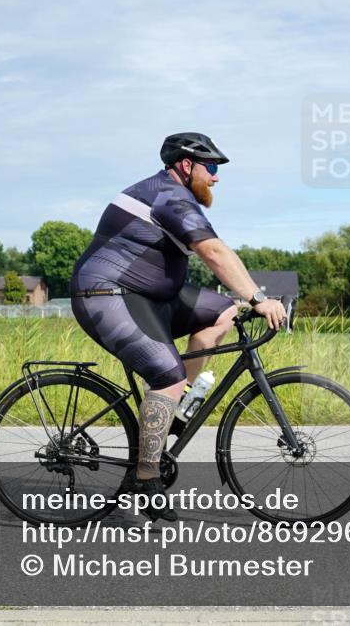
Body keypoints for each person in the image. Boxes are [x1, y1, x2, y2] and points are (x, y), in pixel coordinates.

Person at [70, 132, 287, 520]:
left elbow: (220, 251)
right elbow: (215, 253)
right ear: (186, 167)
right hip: (106, 296)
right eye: (213, 168)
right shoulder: (168, 195)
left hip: (150, 297)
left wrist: (245, 301)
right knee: (166, 375)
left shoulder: (177, 195)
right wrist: (258, 298)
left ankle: (173, 408)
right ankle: (146, 478)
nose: (217, 177)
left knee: (224, 312)